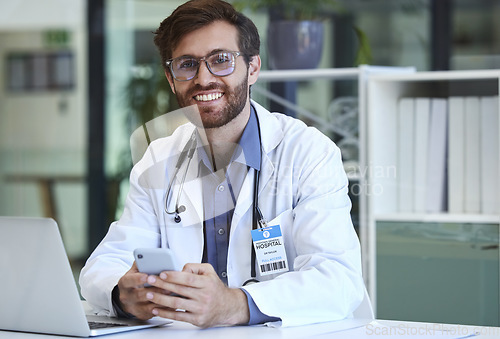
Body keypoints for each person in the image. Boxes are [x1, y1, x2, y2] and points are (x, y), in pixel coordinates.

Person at [80, 0, 364, 328]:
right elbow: (104, 265)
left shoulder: (308, 153)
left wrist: (233, 304)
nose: (204, 78)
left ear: (253, 68)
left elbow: (338, 280)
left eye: (221, 60)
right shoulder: (159, 159)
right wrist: (121, 294)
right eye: (187, 64)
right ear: (172, 79)